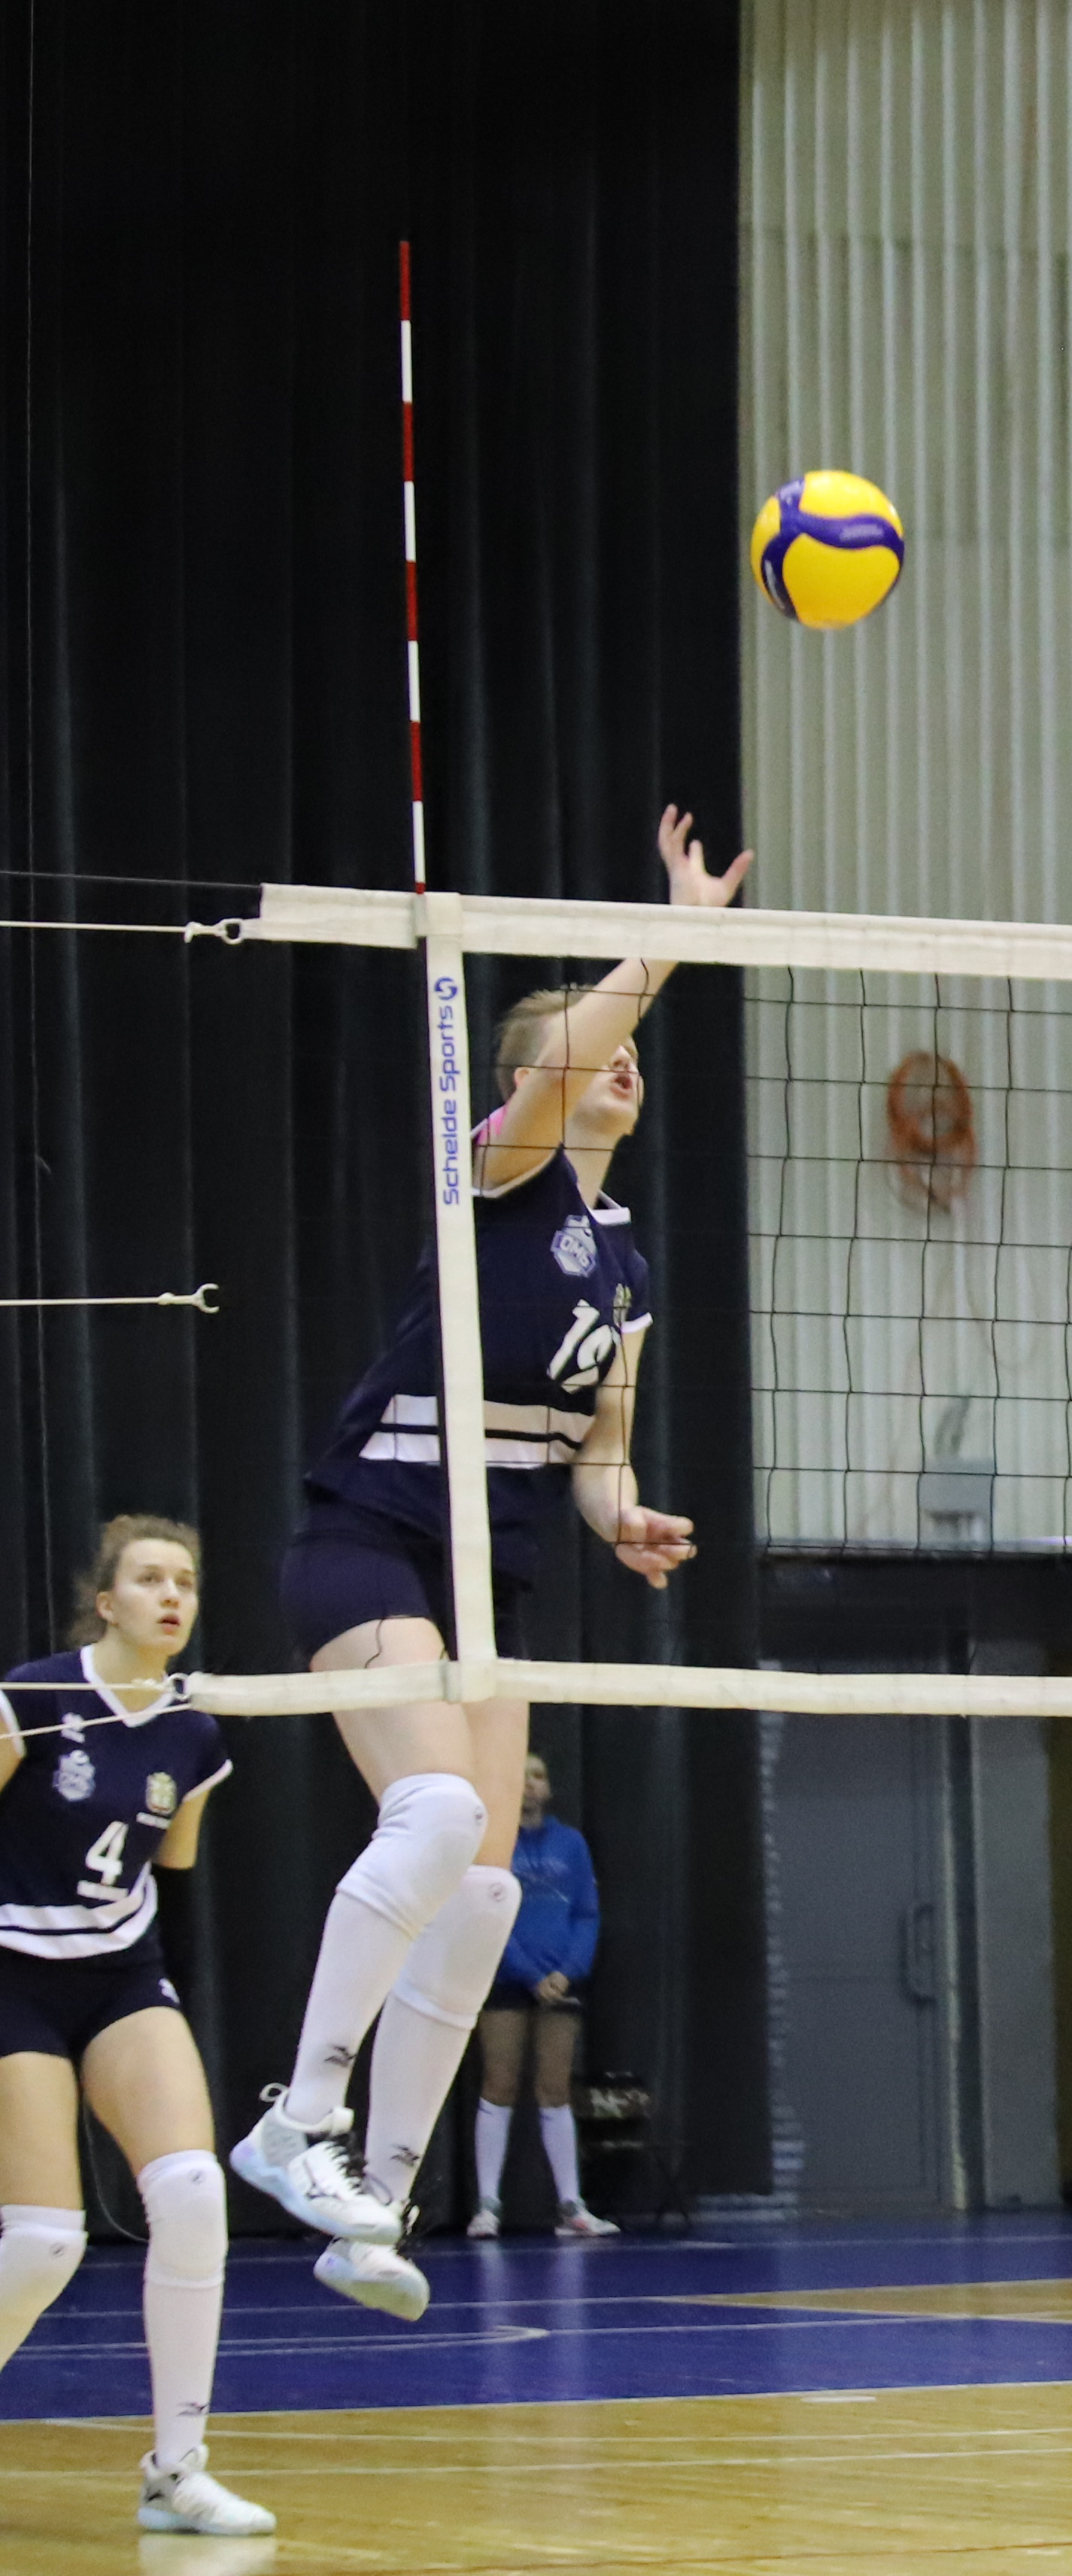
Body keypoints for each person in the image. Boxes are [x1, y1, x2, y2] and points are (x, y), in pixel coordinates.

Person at [232, 811, 734, 2318]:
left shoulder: (629, 1267)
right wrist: (671, 937)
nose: (622, 1065)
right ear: (539, 1078)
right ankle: (297, 2119)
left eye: (631, 1052)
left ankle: (375, 2203)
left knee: (488, 1892)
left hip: (487, 1575)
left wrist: (625, 1515)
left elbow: (597, 1453)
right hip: (366, 1539)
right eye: (596, 1049)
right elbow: (570, 1055)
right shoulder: (499, 1173)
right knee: (440, 1812)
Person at [0, 1520, 266, 2534]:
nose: (172, 1595)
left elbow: (177, 1880)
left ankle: (177, 2471)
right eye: (149, 1578)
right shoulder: (31, 1699)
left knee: (194, 2191)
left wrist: (168, 2002)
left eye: (185, 1581)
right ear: (105, 1603)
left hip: (120, 1974)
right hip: (13, 1969)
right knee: (42, 2244)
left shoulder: (195, 1731)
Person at [464, 1753, 614, 2239]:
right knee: (500, 2083)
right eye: (521, 1775)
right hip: (508, 1978)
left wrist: (567, 1972)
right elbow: (487, 1913)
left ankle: (571, 2206)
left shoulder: (571, 1844)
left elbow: (586, 1913)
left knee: (554, 2087)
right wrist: (529, 1974)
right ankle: (488, 2206)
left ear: (548, 1788)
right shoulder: (492, 1842)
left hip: (561, 1982)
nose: (529, 1784)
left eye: (538, 1776)